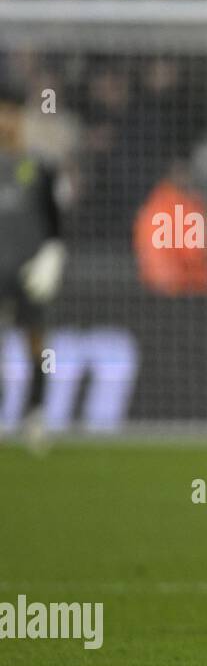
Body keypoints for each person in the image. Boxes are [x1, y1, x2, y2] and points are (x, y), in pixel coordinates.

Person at [0, 84, 65, 453]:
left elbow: (55, 221)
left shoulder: (39, 166)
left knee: (37, 343)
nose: (5, 121)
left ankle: (35, 415)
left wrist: (52, 255)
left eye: (10, 113)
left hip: (30, 270)